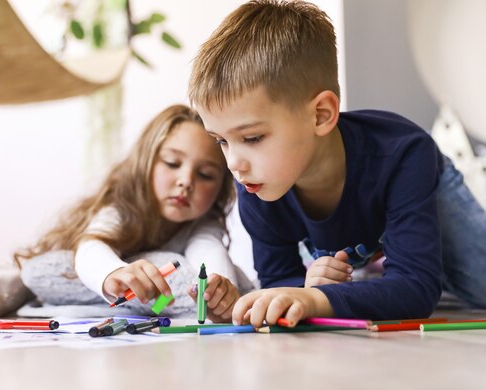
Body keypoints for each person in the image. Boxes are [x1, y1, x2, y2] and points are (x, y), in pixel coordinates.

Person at [187, 0, 486, 326]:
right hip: (366, 240)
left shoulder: (402, 155)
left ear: (320, 115)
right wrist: (305, 290)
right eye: (222, 141)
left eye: (253, 138)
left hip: (419, 176)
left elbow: (416, 290)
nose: (234, 164)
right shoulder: (254, 180)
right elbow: (279, 285)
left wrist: (317, 298)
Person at [14, 104, 254, 321]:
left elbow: (208, 247)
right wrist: (114, 273)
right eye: (172, 163)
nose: (186, 181)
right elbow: (91, 247)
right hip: (88, 280)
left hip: (151, 305)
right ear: (145, 162)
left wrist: (220, 286)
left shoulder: (203, 221)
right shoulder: (122, 207)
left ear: (221, 188)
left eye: (205, 175)